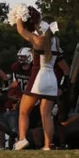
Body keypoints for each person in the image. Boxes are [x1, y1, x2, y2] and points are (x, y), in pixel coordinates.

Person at [13, 8, 59, 150]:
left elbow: (20, 30)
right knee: (47, 114)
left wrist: (19, 14)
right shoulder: (56, 40)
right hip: (52, 79)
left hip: (39, 76)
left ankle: (22, 139)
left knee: (23, 111)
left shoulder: (37, 39)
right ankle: (47, 145)